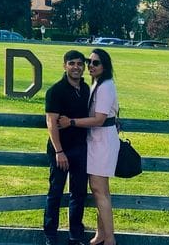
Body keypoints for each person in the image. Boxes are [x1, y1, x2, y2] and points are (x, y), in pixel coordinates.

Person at [58, 48, 119, 245]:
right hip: (96, 141)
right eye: (89, 62)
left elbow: (100, 119)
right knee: (101, 190)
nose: (91, 66)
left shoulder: (106, 86)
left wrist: (71, 122)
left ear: (105, 66)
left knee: (99, 190)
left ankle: (109, 239)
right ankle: (101, 235)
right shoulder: (96, 84)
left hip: (103, 142)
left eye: (96, 63)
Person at [43, 49, 90, 245]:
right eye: (72, 63)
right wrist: (59, 151)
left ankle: (75, 235)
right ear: (65, 66)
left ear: (84, 67)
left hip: (80, 148)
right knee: (55, 192)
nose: (76, 67)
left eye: (79, 64)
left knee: (78, 193)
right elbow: (51, 122)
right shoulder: (55, 91)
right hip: (61, 149)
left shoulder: (86, 89)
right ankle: (50, 235)